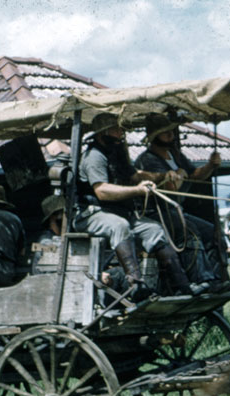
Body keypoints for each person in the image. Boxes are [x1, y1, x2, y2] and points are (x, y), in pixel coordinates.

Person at [75, 112, 206, 300]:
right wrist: (137, 191)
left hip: (118, 212)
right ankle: (135, 284)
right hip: (91, 213)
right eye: (116, 130)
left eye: (121, 129)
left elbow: (136, 176)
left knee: (155, 229)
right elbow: (101, 191)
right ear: (101, 134)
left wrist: (163, 176)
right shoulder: (94, 156)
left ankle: (182, 286)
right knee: (119, 226)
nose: (121, 133)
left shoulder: (116, 154)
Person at [134, 113, 228, 289]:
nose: (171, 135)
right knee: (189, 231)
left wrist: (210, 165)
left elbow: (194, 176)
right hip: (157, 214)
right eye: (166, 133)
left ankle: (218, 279)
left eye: (171, 132)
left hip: (176, 211)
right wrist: (181, 175)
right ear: (155, 137)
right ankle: (199, 280)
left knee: (211, 232)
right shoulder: (147, 160)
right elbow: (171, 187)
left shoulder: (175, 155)